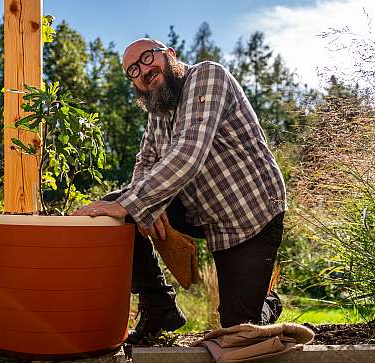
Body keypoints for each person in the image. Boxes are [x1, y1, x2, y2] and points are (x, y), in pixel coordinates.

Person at [73, 38, 286, 344]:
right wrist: (145, 207)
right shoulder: (159, 109)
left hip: (250, 216)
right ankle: (158, 305)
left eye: (147, 58)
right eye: (133, 70)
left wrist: (133, 204)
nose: (143, 70)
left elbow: (188, 153)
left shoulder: (208, 76)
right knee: (115, 207)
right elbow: (146, 159)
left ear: (169, 54)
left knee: (238, 329)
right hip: (201, 211)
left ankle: (267, 301)